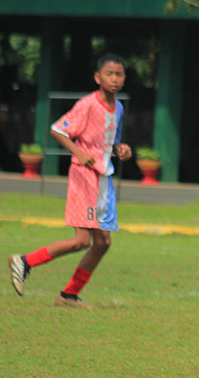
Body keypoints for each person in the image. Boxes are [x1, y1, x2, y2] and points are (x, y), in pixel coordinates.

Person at [8, 53, 132, 307]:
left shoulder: (118, 107)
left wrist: (121, 149)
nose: (114, 79)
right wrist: (78, 152)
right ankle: (25, 261)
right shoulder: (88, 104)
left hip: (103, 180)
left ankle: (69, 295)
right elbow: (58, 129)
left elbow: (112, 139)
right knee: (81, 240)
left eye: (119, 74)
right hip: (84, 176)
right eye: (109, 73)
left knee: (103, 242)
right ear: (97, 77)